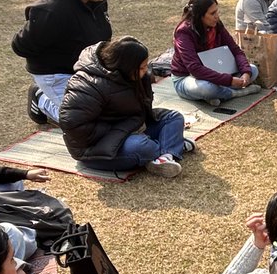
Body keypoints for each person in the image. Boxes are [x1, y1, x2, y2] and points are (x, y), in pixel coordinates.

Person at [58, 36, 188, 178]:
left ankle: (164, 156)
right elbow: (72, 125)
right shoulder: (88, 84)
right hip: (96, 149)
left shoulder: (135, 75)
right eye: (142, 67)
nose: (146, 70)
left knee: (173, 118)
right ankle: (170, 145)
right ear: (126, 66)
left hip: (131, 129)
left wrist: (130, 127)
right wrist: (121, 130)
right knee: (141, 146)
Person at [13, 0, 111, 126]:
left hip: (85, 68)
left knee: (117, 109)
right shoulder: (52, 11)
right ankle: (41, 99)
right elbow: (20, 46)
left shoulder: (96, 2)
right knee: (85, 124)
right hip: (57, 73)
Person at [170, 0, 260, 107]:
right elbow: (194, 68)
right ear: (200, 15)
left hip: (217, 72)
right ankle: (235, 93)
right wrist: (229, 80)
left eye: (217, 11)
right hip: (187, 77)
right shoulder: (184, 32)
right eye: (212, 13)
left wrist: (246, 72)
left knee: (253, 70)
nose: (217, 16)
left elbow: (236, 51)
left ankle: (215, 95)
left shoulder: (216, 25)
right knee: (207, 88)